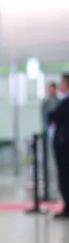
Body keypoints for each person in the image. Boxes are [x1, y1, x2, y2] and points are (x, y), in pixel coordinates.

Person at [49, 74, 69, 218]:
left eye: (62, 82)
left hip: (64, 146)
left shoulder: (66, 102)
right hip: (62, 144)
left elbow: (53, 115)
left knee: (65, 176)